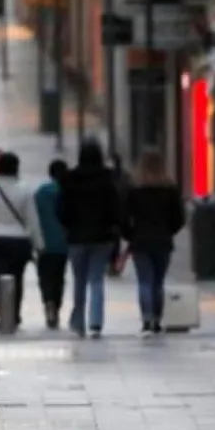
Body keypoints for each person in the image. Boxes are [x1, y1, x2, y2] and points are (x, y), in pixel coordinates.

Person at [57, 139, 124, 338]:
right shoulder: (107, 179)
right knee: (96, 279)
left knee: (79, 281)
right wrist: (115, 227)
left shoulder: (69, 179)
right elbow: (116, 207)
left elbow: (61, 209)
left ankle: (78, 322)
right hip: (102, 237)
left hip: (76, 237)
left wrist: (68, 225)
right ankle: (96, 321)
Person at [0, 151, 44, 331]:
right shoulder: (25, 189)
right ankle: (14, 314)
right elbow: (32, 219)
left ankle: (2, 315)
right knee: (17, 278)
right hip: (19, 240)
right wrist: (39, 244)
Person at [123, 149, 186, 336]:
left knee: (144, 281)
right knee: (158, 282)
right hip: (162, 241)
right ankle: (157, 319)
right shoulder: (170, 190)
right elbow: (179, 218)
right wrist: (169, 231)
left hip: (140, 241)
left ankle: (147, 319)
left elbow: (124, 217)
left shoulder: (134, 190)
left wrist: (130, 235)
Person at [34, 160, 71, 329]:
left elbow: (33, 216)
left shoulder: (40, 193)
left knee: (44, 276)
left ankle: (47, 301)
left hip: (43, 242)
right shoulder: (67, 192)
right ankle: (56, 305)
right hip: (63, 243)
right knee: (59, 277)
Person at [107, 153, 135, 278]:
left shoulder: (108, 176)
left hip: (115, 213)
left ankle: (114, 264)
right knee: (117, 240)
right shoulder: (126, 177)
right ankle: (115, 264)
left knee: (114, 240)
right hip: (123, 213)